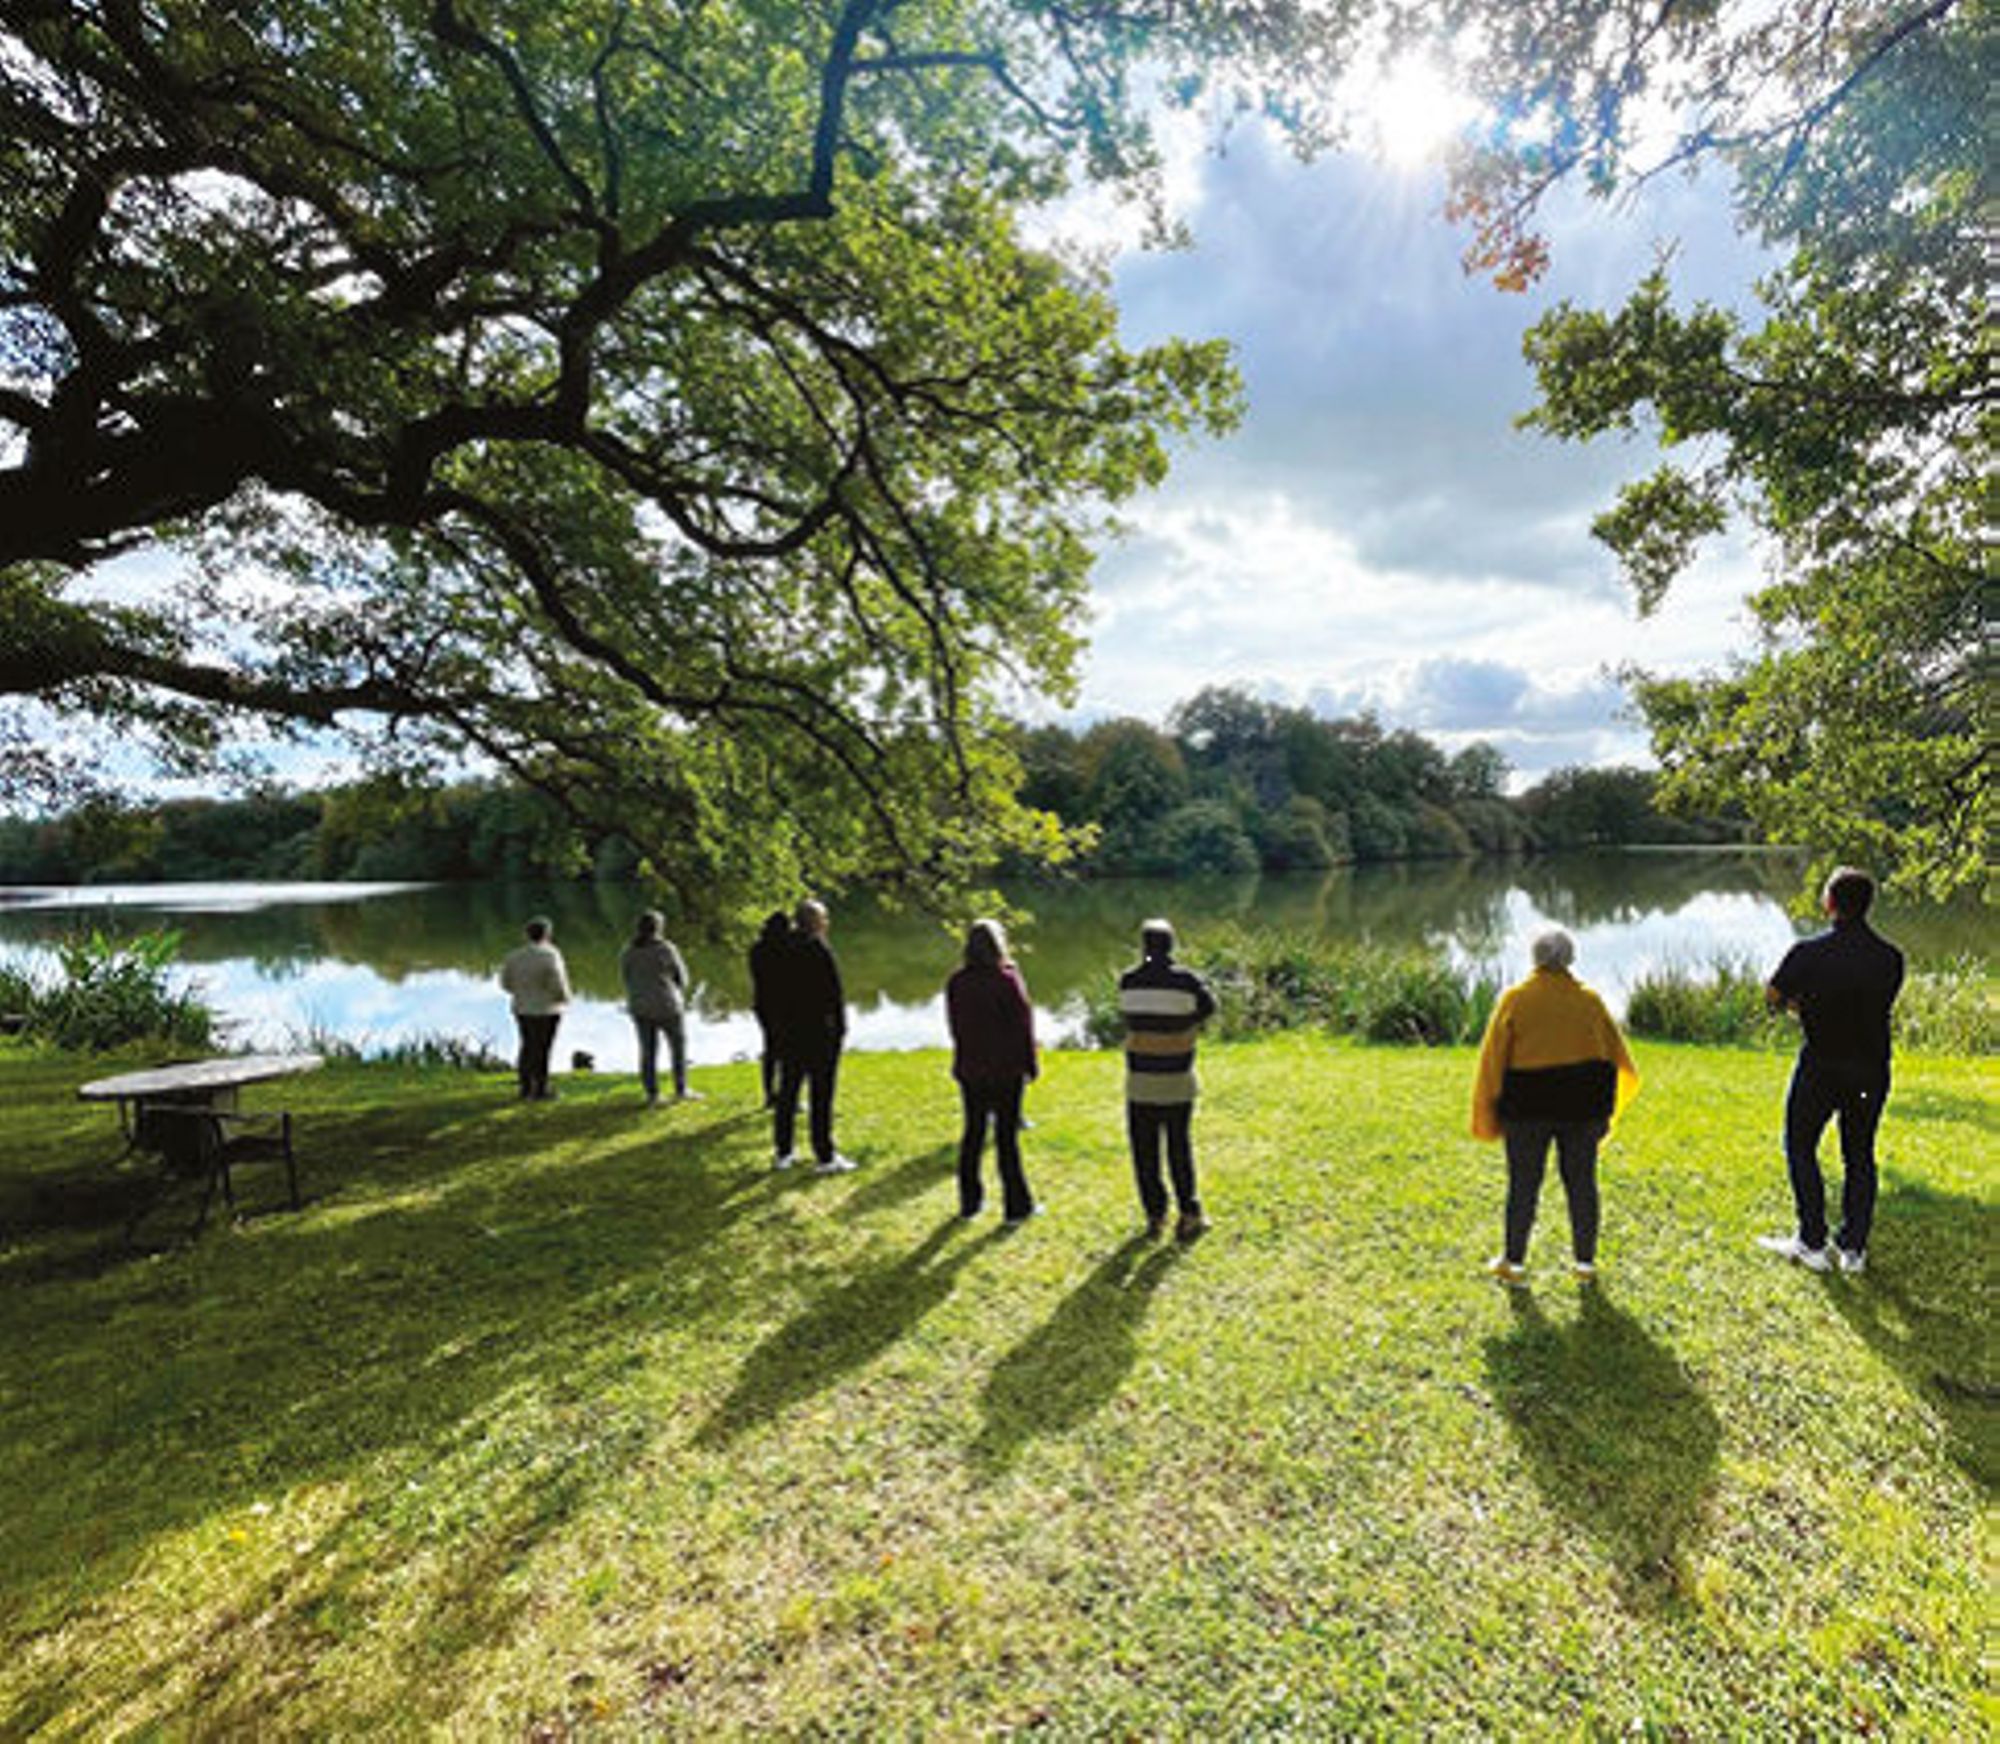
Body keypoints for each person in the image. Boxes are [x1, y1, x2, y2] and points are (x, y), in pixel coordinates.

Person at [1757, 866, 1904, 1275]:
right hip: (1870, 1070)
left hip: (1821, 1067)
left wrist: (1797, 1006)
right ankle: (1854, 1249)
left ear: (1830, 903)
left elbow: (1773, 994)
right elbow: (1876, 1002)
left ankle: (1812, 1242)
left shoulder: (1808, 953)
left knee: (1800, 1146)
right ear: (1867, 906)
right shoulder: (1891, 958)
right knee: (1859, 1155)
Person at [1471, 929, 1639, 1286]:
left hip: (1527, 1109)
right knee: (1582, 1183)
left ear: (1535, 958)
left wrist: (1489, 1107)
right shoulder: (1591, 1001)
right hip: (1582, 1110)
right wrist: (1605, 1112)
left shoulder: (1516, 999)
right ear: (1570, 958)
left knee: (1523, 1185)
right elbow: (1615, 1059)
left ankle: (1513, 1264)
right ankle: (1585, 1265)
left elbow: (1492, 1062)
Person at [1118, 918, 1217, 1241]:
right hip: (1177, 1076)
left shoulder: (1128, 981)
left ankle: (1155, 1214)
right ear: (1171, 945)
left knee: (1144, 1150)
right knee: (1178, 1147)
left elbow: (1131, 1018)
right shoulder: (1187, 981)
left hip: (1140, 1079)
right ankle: (1189, 1213)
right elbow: (1209, 1007)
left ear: (1144, 947)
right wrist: (1185, 1025)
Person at [945, 918, 1039, 1223]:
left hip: (971, 1068)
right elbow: (1023, 1027)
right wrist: (1031, 1065)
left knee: (973, 1133)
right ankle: (1017, 1207)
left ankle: (969, 1204)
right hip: (1005, 1070)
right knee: (1006, 1138)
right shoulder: (1006, 980)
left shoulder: (957, 981)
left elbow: (955, 1026)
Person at [769, 897, 855, 1174]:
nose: (827, 923)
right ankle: (825, 1156)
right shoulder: (819, 949)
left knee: (788, 1092)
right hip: (818, 1033)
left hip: (789, 1031)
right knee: (821, 1095)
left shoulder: (782, 948)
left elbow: (775, 993)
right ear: (815, 922)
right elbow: (834, 994)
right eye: (824, 919)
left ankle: (783, 1152)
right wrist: (841, 1029)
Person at [620, 910, 700, 1106]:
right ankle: (681, 1090)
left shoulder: (628, 950)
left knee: (648, 1051)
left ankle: (652, 1094)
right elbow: (682, 978)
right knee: (678, 1048)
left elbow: (626, 977)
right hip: (667, 1005)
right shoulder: (666, 949)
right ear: (659, 927)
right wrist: (679, 993)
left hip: (640, 1006)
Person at [499, 915, 572, 1101]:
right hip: (547, 1010)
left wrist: (521, 992)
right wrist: (564, 1000)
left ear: (527, 934)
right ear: (547, 934)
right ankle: (541, 1089)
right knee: (543, 1049)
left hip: (522, 1008)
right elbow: (558, 984)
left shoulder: (513, 956)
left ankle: (525, 1088)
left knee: (527, 1046)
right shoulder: (551, 955)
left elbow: (505, 984)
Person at [747, 910, 792, 1109]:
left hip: (763, 1004)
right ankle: (785, 1094)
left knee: (771, 1048)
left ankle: (769, 1094)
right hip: (784, 1004)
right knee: (788, 1050)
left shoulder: (757, 949)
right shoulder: (786, 949)